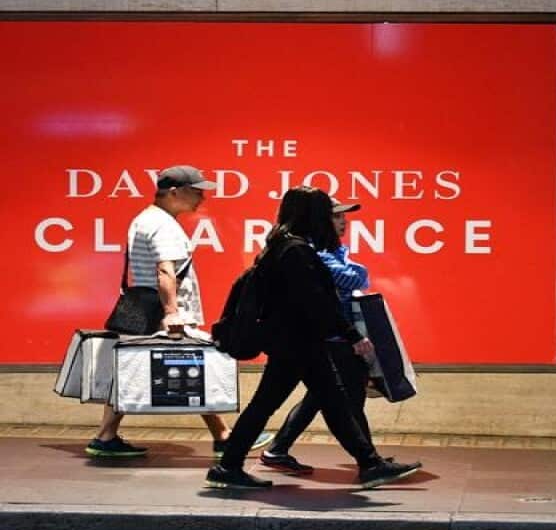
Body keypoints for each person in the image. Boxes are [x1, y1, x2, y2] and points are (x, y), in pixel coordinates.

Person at [205, 186, 421, 490]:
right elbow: (316, 300)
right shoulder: (296, 250)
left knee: (321, 402)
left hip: (294, 342)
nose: (333, 221)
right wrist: (350, 334)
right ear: (311, 215)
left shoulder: (279, 245)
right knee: (311, 403)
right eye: (325, 214)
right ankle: (369, 464)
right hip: (298, 342)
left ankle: (369, 463)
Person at [87, 165, 271, 458]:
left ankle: (106, 435)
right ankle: (223, 436)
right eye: (195, 192)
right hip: (166, 314)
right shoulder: (165, 226)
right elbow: (165, 270)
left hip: (142, 309)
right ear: (174, 192)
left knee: (134, 370)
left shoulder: (145, 219)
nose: (202, 198)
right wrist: (172, 312)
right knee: (194, 369)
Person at [258, 197, 374, 475]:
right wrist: (350, 334)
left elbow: (351, 275)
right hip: (327, 337)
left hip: (328, 336)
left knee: (323, 395)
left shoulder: (328, 250)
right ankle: (370, 460)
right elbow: (353, 278)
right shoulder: (312, 252)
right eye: (335, 216)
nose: (343, 221)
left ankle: (276, 449)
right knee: (347, 395)